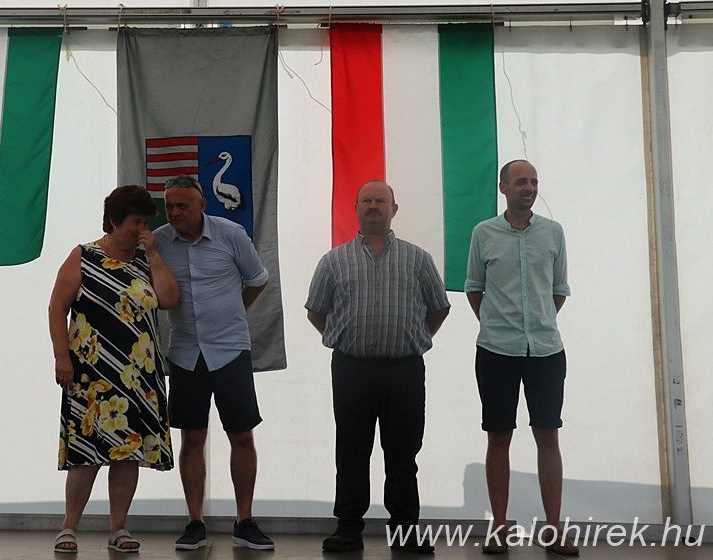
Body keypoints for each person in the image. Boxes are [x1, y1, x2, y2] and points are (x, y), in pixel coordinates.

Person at [306, 181, 451, 554]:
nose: (374, 206)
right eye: (367, 201)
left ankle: (404, 531)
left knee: (403, 454)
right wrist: (344, 338)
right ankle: (348, 529)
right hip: (352, 370)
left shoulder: (418, 259)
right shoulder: (333, 261)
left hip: (404, 371)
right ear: (355, 209)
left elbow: (439, 308)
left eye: (381, 201)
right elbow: (316, 311)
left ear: (394, 209)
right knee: (351, 452)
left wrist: (413, 338)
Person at [48, 185, 180, 554]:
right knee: (86, 453)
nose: (141, 230)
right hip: (91, 374)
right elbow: (57, 307)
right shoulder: (84, 256)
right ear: (114, 221)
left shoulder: (145, 260)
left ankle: (118, 528)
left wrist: (153, 254)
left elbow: (169, 298)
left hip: (139, 376)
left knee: (128, 452)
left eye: (145, 223)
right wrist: (61, 356)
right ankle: (68, 527)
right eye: (136, 222)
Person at [153, 174, 274, 551]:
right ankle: (195, 522)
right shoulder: (158, 242)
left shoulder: (230, 234)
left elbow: (258, 279)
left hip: (230, 350)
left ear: (202, 205)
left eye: (182, 206)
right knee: (192, 438)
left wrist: (232, 312)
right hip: (186, 353)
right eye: (169, 206)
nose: (175, 213)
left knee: (242, 435)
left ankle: (245, 521)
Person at [465, 160, 577, 557]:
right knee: (499, 437)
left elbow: (559, 289)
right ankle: (499, 527)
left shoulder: (553, 232)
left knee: (548, 436)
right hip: (496, 350)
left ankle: (553, 528)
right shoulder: (483, 233)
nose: (528, 188)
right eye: (520, 182)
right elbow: (474, 288)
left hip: (546, 351)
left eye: (533, 182)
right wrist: (500, 324)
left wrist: (537, 322)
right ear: (503, 187)